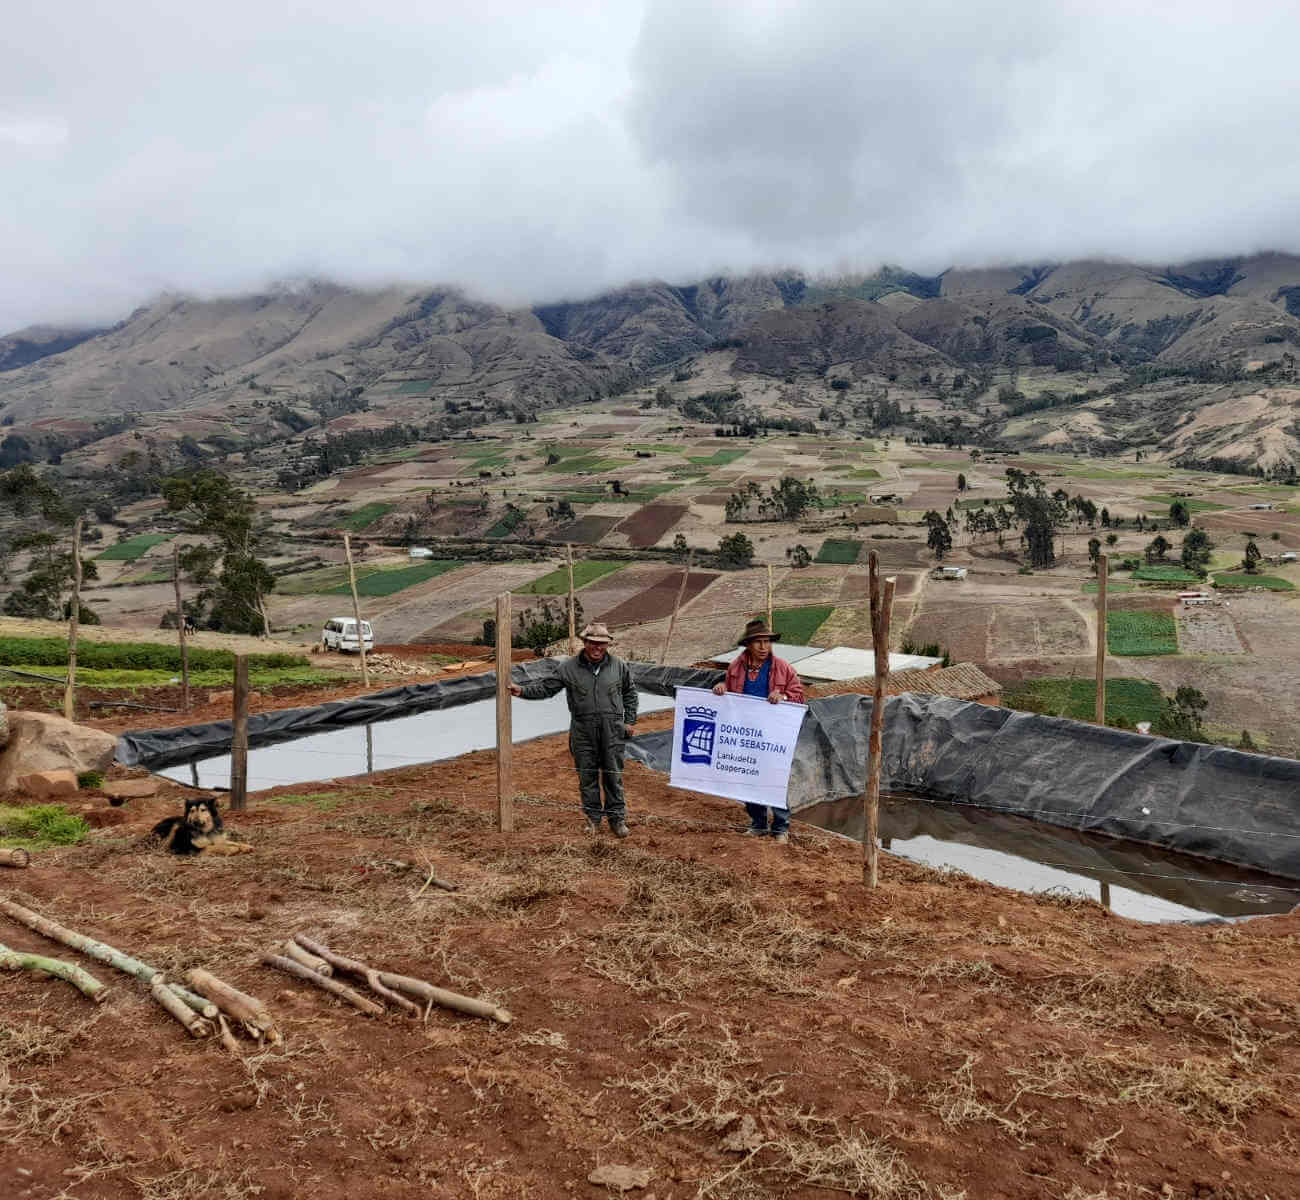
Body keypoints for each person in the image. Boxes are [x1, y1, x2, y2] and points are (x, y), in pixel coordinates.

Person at [509, 622, 637, 837]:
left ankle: (617, 819)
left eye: (602, 644)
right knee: (587, 777)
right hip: (582, 731)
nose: (597, 647)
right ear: (585, 642)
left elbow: (630, 693)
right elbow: (546, 688)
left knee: (613, 777)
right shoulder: (568, 668)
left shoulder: (619, 666)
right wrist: (521, 691)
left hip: (612, 730)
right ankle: (593, 820)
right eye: (593, 643)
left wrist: (630, 721)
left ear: (608, 645)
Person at [712, 618, 806, 844]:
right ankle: (758, 823)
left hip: (773, 736)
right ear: (748, 645)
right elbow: (730, 695)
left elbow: (799, 695)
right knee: (748, 777)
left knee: (775, 778)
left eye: (767, 642)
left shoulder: (782, 667)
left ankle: (781, 827)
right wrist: (721, 688)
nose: (764, 647)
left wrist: (783, 697)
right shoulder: (736, 667)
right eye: (758, 642)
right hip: (746, 735)